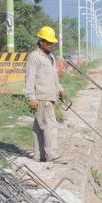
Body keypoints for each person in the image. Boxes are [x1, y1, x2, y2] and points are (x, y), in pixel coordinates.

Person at [25, 26, 67, 164]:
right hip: (41, 98)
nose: (51, 45)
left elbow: (53, 76)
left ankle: (39, 156)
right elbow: (30, 78)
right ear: (41, 41)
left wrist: (60, 89)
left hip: (50, 96)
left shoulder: (50, 57)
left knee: (39, 128)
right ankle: (52, 155)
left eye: (52, 42)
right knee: (50, 126)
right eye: (48, 42)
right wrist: (30, 97)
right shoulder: (34, 57)